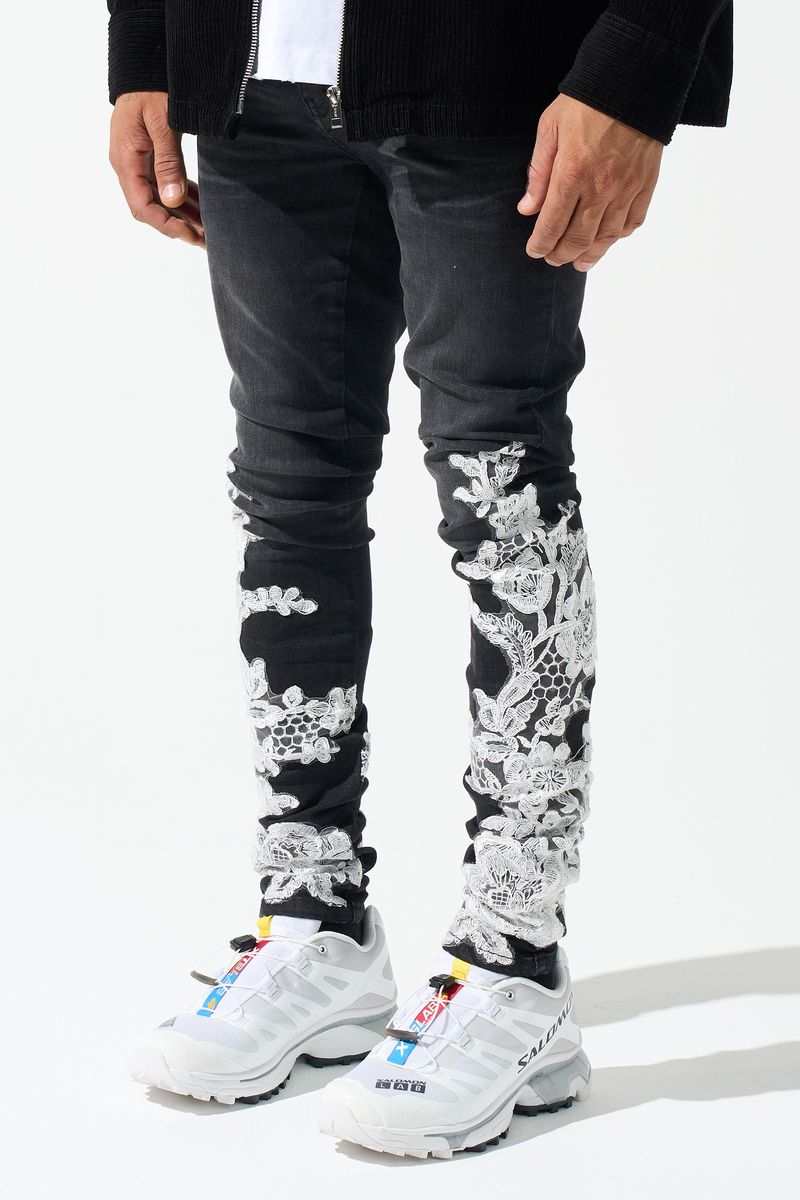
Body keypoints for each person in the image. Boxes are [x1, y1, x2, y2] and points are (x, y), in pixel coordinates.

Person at [108, 0, 733, 1157]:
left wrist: (635, 70)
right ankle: (314, 921)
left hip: (493, 61)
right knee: (285, 488)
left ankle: (513, 965)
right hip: (249, 71)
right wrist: (146, 43)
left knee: (500, 493)